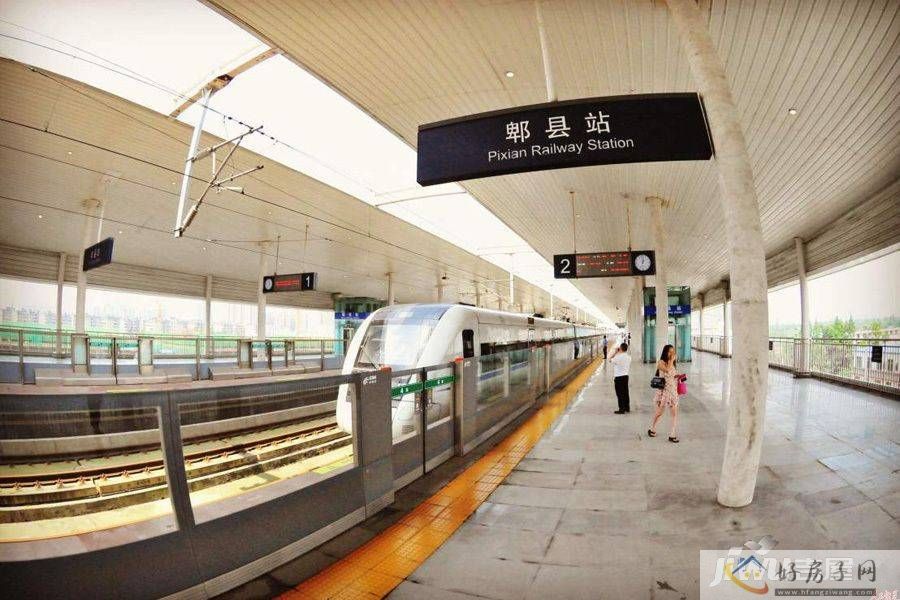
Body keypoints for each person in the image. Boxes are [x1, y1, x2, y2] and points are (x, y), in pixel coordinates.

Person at [648, 344, 684, 443]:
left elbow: (672, 375)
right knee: (659, 413)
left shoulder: (672, 363)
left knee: (674, 414)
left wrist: (678, 376)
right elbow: (667, 370)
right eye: (670, 352)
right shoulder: (661, 362)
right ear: (665, 352)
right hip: (664, 392)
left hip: (673, 391)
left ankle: (672, 434)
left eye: (673, 352)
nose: (672, 354)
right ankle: (652, 429)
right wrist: (672, 360)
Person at [608, 342, 632, 414]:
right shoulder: (629, 357)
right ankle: (627, 407)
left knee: (619, 393)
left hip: (618, 378)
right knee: (625, 392)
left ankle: (621, 409)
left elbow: (609, 359)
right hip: (626, 377)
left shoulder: (617, 357)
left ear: (620, 348)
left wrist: (615, 352)